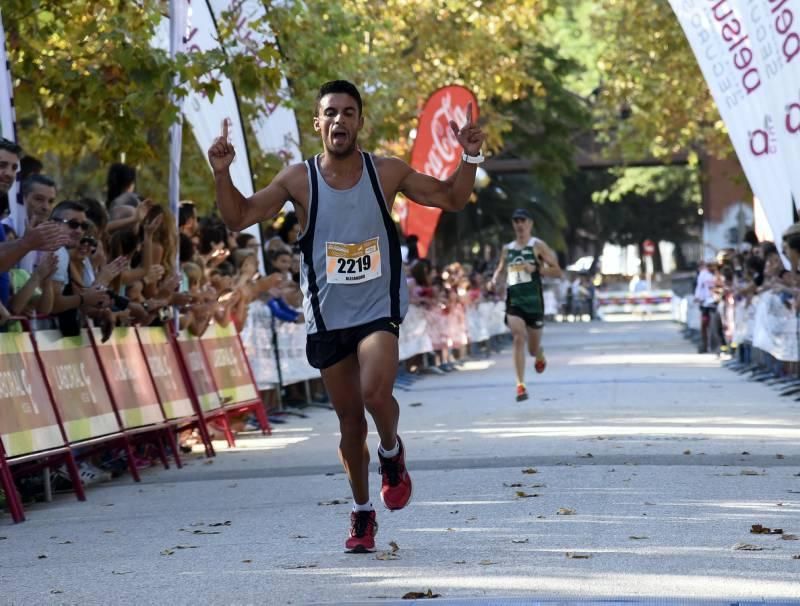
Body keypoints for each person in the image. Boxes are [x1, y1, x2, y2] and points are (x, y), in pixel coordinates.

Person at [209, 79, 485, 553]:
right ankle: (362, 512)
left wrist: (470, 158)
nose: (339, 120)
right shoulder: (299, 179)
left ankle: (392, 453)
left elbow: (451, 198)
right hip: (327, 316)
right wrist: (220, 172)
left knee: (377, 392)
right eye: (330, 113)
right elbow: (239, 216)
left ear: (359, 121)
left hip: (378, 309)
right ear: (318, 123)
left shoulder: (387, 172)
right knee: (349, 423)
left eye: (348, 112)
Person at [490, 208, 562, 402]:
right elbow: (501, 269)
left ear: (530, 224)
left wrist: (537, 268)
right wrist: (495, 280)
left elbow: (558, 271)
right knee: (518, 337)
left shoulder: (537, 246)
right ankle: (520, 385)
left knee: (531, 348)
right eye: (516, 221)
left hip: (534, 304)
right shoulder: (508, 248)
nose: (519, 224)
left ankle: (539, 353)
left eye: (523, 221)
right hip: (515, 301)